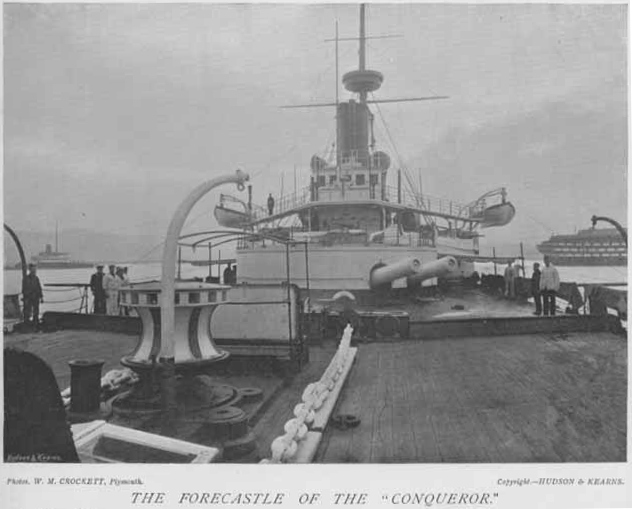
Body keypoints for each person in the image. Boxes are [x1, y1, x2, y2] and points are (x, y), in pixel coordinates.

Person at [22, 264, 43, 330]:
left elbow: (39, 288)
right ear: (30, 270)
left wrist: (41, 297)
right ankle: (27, 323)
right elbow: (24, 289)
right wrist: (26, 297)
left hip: (36, 297)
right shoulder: (26, 279)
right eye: (33, 269)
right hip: (29, 297)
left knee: (36, 310)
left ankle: (35, 322)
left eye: (35, 269)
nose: (34, 270)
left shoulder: (36, 278)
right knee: (28, 310)